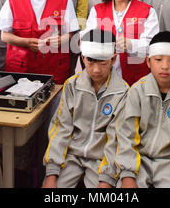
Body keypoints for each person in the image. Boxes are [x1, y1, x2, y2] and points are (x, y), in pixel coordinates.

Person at [115, 31, 170, 188]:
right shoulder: (136, 91)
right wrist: (127, 175)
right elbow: (126, 135)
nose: (165, 66)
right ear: (148, 62)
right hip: (138, 161)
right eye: (158, 59)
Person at [42, 29, 129, 188]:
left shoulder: (122, 92)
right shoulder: (72, 85)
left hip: (100, 159)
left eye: (102, 62)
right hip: (70, 156)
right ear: (82, 58)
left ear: (113, 59)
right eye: (90, 62)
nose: (96, 69)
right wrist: (52, 173)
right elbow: (61, 128)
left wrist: (107, 179)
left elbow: (117, 139)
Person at [83, 0, 159, 86]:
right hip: (104, 79)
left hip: (137, 79)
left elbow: (153, 46)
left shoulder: (147, 11)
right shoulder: (97, 10)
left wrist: (131, 44)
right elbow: (87, 39)